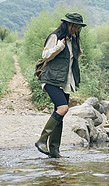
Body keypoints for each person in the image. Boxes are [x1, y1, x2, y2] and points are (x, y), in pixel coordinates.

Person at [35, 12, 86, 158]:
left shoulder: (73, 40)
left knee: (60, 114)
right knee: (63, 108)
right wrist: (58, 47)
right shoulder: (55, 37)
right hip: (51, 79)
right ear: (67, 24)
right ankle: (42, 140)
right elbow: (45, 55)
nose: (76, 29)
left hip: (65, 82)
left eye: (78, 27)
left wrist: (77, 53)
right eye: (74, 26)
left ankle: (54, 151)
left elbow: (69, 62)